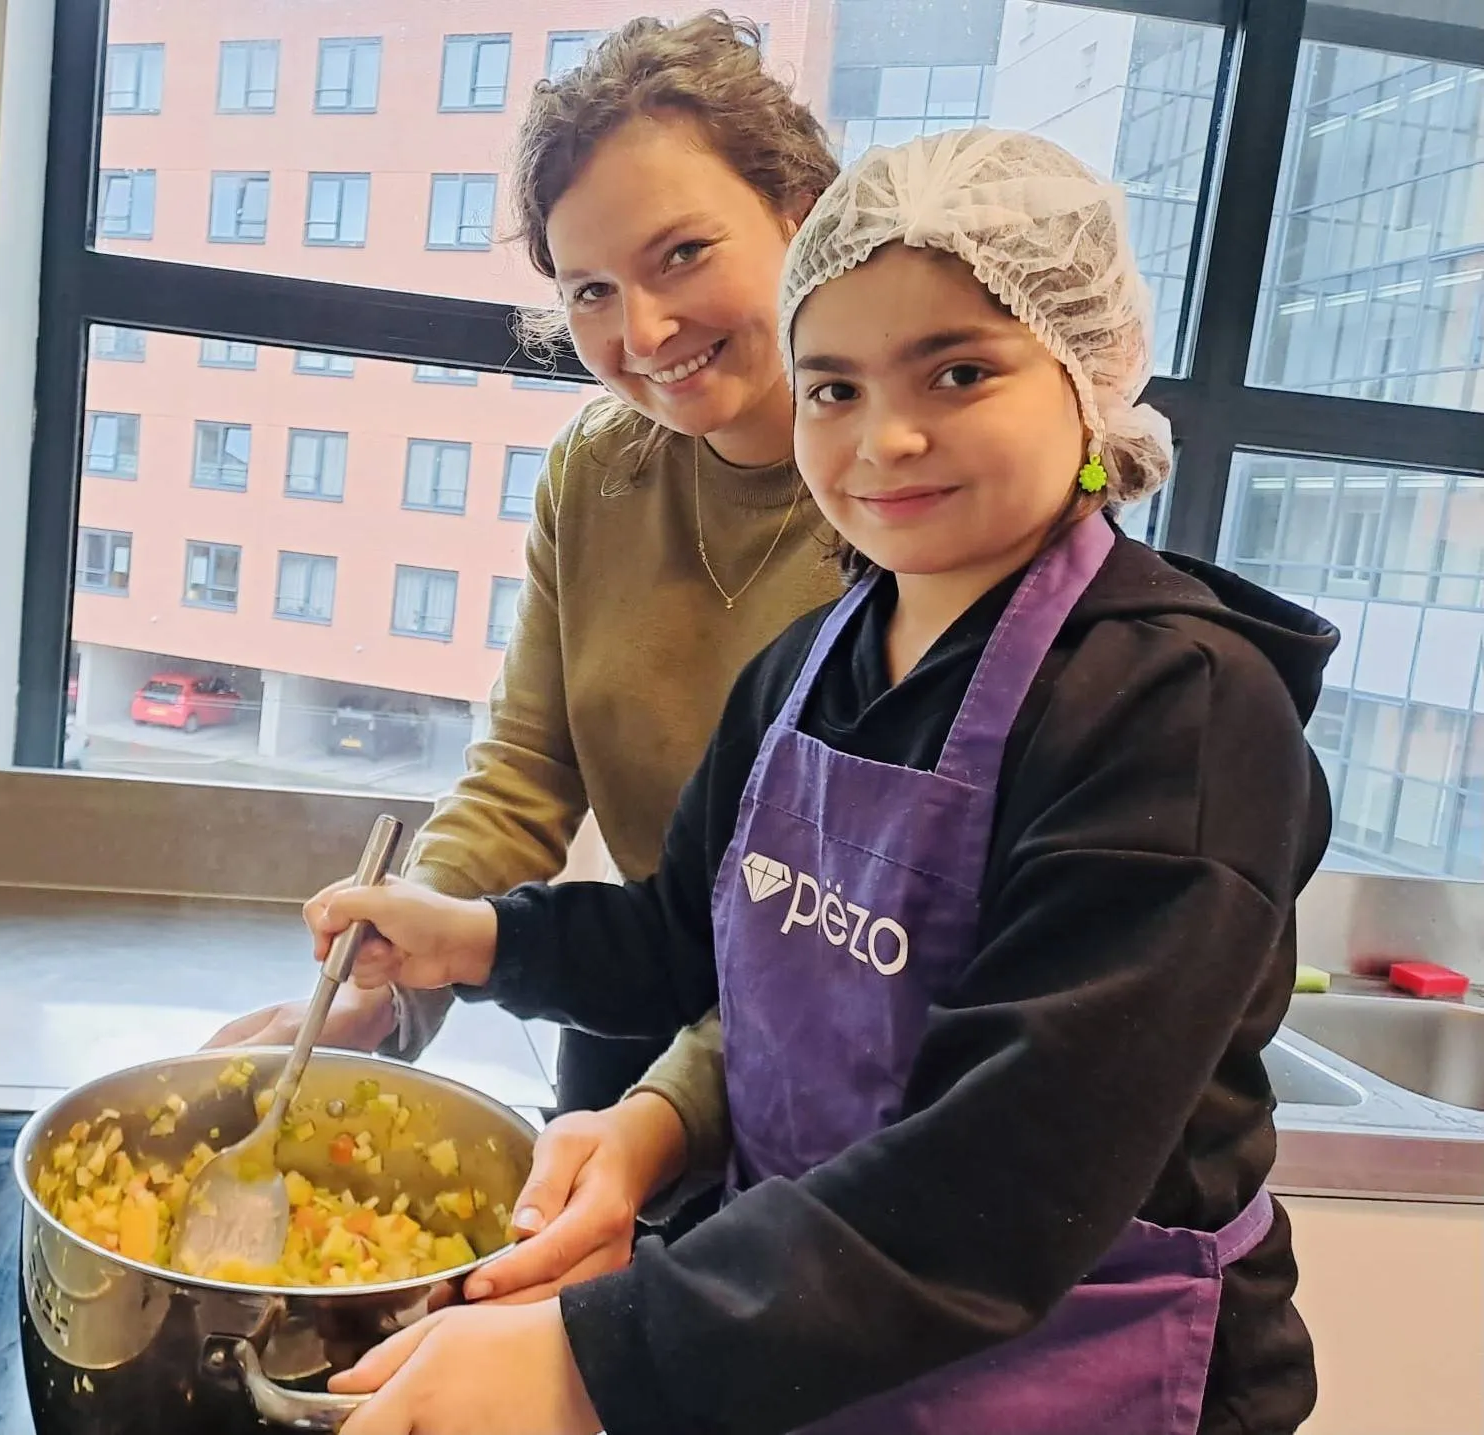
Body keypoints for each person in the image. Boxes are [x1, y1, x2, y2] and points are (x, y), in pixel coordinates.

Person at [309, 127, 1339, 1435]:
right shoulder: (816, 658)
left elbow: (1004, 1180)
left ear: (1085, 377)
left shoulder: (1171, 711)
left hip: (1083, 1355)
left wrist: (594, 1359)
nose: (885, 438)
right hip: (826, 1323)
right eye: (831, 387)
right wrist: (473, 937)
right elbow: (687, 940)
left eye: (957, 370)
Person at [207, 12, 843, 1227]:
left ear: (803, 213)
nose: (643, 332)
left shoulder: (903, 499)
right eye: (592, 288)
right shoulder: (600, 473)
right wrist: (390, 976)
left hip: (831, 1070)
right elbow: (522, 773)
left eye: (683, 254)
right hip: (636, 1012)